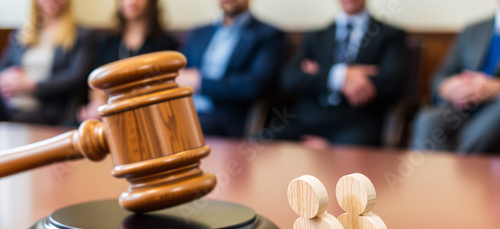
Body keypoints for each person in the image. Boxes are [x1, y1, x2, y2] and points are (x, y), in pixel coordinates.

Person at [277, 0, 407, 148]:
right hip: (308, 120)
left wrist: (319, 72)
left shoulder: (390, 35)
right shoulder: (316, 36)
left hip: (356, 122)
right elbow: (290, 79)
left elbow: (393, 81)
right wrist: (340, 76)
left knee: (345, 157)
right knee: (260, 144)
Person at [179, 0, 285, 138]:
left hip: (226, 118)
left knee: (180, 128)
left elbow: (255, 84)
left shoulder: (268, 35)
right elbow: (179, 73)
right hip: (187, 110)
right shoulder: (198, 33)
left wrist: (201, 82)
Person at [410, 5, 500, 154]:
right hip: (460, 107)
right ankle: (425, 176)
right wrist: (447, 88)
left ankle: (458, 170)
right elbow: (441, 75)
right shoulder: (473, 30)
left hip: (495, 108)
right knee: (428, 119)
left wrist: (494, 88)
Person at [78, 0, 177, 122]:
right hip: (109, 113)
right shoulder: (108, 43)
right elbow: (97, 86)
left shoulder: (164, 44)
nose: (131, 1)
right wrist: (97, 105)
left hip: (147, 115)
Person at [0, 0, 95, 125]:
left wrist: (31, 86)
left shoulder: (81, 34)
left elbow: (77, 75)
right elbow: (4, 66)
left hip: (47, 111)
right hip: (10, 105)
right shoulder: (24, 32)